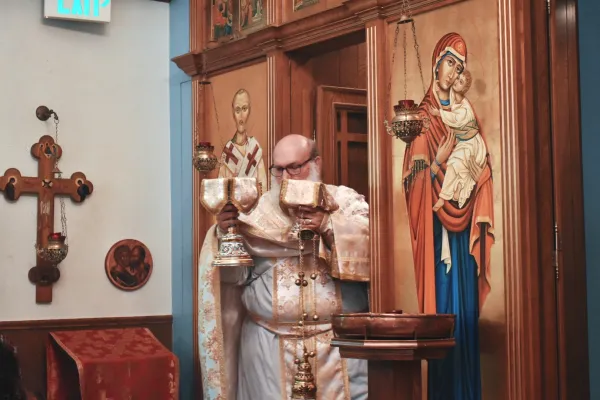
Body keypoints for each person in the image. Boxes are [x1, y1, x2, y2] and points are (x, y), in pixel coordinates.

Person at [198, 134, 369, 400]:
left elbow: (372, 253)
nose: (286, 178)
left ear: (316, 164)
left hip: (337, 348)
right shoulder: (254, 212)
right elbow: (234, 278)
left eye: (295, 167)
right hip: (269, 349)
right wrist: (226, 234)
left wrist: (326, 225)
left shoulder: (345, 202)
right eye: (278, 170)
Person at [402, 33, 495, 400]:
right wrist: (438, 162)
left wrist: (476, 174)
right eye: (450, 61)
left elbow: (481, 162)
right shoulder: (422, 118)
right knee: (445, 315)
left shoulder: (464, 112)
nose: (453, 69)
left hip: (462, 231)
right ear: (437, 61)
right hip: (438, 234)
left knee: (466, 316)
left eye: (459, 65)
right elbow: (411, 181)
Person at [429, 70, 488, 212]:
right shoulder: (454, 95)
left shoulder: (465, 108)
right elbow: (445, 93)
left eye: (460, 82)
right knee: (457, 167)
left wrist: (439, 113)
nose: (456, 82)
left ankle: (443, 198)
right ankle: (456, 191)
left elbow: (455, 119)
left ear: (464, 88)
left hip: (471, 143)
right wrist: (436, 91)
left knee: (455, 163)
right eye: (457, 79)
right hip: (464, 142)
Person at [218, 89, 268, 192]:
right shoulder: (228, 152)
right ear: (233, 114)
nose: (241, 115)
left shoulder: (255, 149)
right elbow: (220, 190)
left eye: (244, 109)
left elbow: (264, 188)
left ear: (250, 110)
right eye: (237, 110)